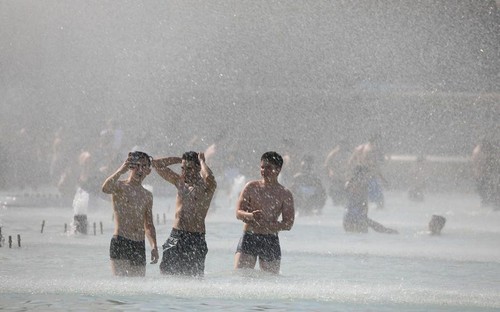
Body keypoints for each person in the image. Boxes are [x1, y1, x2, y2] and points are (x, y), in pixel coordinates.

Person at [153, 151, 217, 278]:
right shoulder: (180, 182)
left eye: (189, 168)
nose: (185, 172)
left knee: (194, 277)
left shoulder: (207, 187)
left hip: (196, 238)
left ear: (198, 168)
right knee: (166, 274)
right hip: (176, 235)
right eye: (183, 169)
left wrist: (202, 161)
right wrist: (179, 159)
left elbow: (209, 177)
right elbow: (156, 164)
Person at [234, 152, 295, 274]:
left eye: (268, 168)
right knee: (240, 277)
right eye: (262, 167)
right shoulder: (251, 187)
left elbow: (288, 224)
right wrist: (251, 216)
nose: (264, 170)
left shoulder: (284, 194)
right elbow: (238, 213)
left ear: (278, 170)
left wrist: (268, 225)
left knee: (270, 281)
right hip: (249, 236)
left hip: (270, 239)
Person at [101, 151, 159, 277]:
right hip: (121, 240)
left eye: (144, 166)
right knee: (120, 286)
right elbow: (105, 188)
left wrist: (154, 246)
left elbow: (148, 224)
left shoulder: (147, 195)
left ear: (148, 171)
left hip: (138, 244)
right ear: (130, 167)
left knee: (137, 289)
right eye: (137, 165)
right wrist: (121, 170)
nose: (140, 170)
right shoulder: (120, 186)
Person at [343, 166, 398, 234]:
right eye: (365, 175)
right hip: (353, 219)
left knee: (360, 236)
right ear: (360, 175)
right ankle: (387, 231)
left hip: (353, 219)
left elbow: (364, 205)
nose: (367, 178)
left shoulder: (360, 185)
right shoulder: (354, 185)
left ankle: (387, 231)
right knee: (362, 235)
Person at [349, 134, 388, 209]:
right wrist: (382, 179)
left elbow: (350, 162)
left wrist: (350, 175)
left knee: (361, 196)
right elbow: (373, 166)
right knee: (379, 201)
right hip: (368, 175)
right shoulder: (372, 150)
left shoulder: (360, 148)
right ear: (376, 141)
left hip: (358, 174)